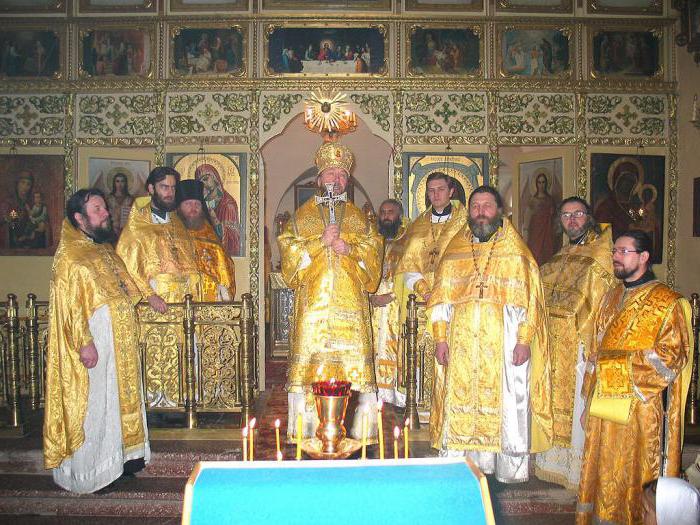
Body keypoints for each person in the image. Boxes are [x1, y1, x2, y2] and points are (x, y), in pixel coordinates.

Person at [428, 185, 552, 483]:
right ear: (468, 212)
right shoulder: (454, 252)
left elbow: (530, 302)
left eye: (487, 206)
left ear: (500, 211)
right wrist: (441, 338)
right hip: (461, 345)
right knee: (460, 400)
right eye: (475, 207)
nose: (480, 212)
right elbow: (441, 301)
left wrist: (523, 341)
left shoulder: (517, 253)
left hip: (505, 343)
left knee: (508, 400)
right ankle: (461, 464)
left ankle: (508, 469)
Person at [577, 231, 694, 525]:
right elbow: (596, 348)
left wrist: (611, 366)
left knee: (634, 473)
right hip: (604, 406)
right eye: (615, 250)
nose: (616, 256)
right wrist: (588, 399)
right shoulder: (611, 296)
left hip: (642, 411)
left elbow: (671, 358)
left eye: (624, 251)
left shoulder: (668, 302)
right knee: (604, 472)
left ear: (644, 257)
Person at [44, 188, 149, 493]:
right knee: (96, 405)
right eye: (98, 209)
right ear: (80, 218)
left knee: (118, 402)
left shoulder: (104, 250)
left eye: (104, 208)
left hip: (119, 345)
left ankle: (122, 461)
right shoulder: (71, 257)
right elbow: (69, 304)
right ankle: (92, 471)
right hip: (97, 344)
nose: (106, 213)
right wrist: (83, 342)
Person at [278, 141, 382, 441]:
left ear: (347, 181)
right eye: (329, 174)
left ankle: (358, 436)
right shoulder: (300, 218)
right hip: (313, 315)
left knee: (353, 373)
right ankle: (309, 434)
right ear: (318, 179)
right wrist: (318, 242)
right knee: (312, 370)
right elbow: (289, 266)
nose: (335, 180)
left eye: (341, 175)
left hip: (351, 316)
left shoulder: (360, 219)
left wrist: (349, 249)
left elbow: (373, 259)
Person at [534, 197, 615, 489]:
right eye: (566, 215)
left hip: (581, 342)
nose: (572, 220)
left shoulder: (601, 256)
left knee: (579, 399)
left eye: (578, 214)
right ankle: (554, 464)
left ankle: (578, 472)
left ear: (589, 217)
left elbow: (604, 302)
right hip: (555, 344)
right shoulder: (560, 256)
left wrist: (597, 344)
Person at [116, 166, 200, 312]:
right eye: (164, 187)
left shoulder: (178, 223)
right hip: (156, 303)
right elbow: (126, 265)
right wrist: (149, 295)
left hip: (184, 301)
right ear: (151, 188)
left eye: (173, 188)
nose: (170, 193)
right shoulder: (137, 226)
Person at [395, 171, 467, 306]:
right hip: (421, 296)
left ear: (451, 192)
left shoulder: (465, 224)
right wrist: (426, 292)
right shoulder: (417, 226)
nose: (436, 194)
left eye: (441, 189)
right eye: (431, 190)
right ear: (427, 194)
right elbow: (408, 265)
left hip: (454, 295)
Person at [370, 198, 408, 407]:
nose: (386, 216)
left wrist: (391, 296)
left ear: (399, 215)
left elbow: (409, 275)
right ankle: (375, 391)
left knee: (394, 348)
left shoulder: (407, 241)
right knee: (375, 345)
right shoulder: (374, 241)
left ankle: (396, 395)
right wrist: (370, 295)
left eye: (390, 212)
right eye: (383, 212)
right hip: (374, 304)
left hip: (396, 305)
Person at [176, 179, 236, 302]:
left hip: (208, 303)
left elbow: (226, 275)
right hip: (177, 301)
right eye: (188, 204)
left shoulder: (213, 241)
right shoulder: (171, 236)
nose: (193, 208)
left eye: (197, 204)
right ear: (179, 207)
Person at [195, 163, 241, 258]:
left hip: (220, 256)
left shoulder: (228, 204)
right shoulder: (199, 202)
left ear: (214, 177)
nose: (204, 184)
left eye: (206, 179)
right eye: (200, 182)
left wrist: (215, 220)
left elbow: (233, 236)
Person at [522, 171, 558, 265]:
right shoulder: (533, 200)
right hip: (536, 232)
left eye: (543, 182)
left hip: (547, 231)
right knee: (536, 254)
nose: (541, 185)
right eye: (539, 182)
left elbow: (554, 217)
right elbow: (527, 217)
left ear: (546, 184)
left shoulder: (550, 200)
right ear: (536, 184)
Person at [105, 172, 135, 238]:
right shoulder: (108, 199)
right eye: (117, 181)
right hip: (111, 231)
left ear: (125, 183)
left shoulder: (130, 199)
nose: (120, 184)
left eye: (122, 181)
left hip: (126, 231)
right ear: (114, 183)